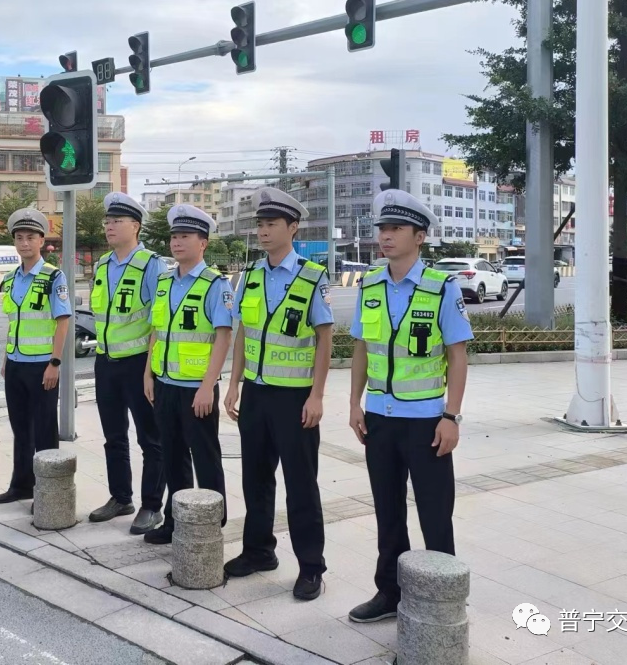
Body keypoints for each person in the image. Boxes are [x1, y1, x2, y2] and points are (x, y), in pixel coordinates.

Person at [347, 189, 474, 623]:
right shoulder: (369, 285)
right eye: (382, 229)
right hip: (380, 420)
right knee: (387, 513)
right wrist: (354, 404)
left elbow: (457, 355)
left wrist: (451, 417)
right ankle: (390, 593)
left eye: (395, 229)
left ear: (419, 236)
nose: (385, 237)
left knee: (436, 515)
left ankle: (441, 601)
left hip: (426, 423)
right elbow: (362, 348)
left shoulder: (441, 287)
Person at [223, 188, 334, 601]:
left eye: (272, 224)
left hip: (295, 397)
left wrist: (317, 396)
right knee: (255, 478)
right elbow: (243, 334)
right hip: (256, 394)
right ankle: (257, 551)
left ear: (293, 227)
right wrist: (234, 383)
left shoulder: (311, 276)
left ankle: (311, 568)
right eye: (260, 224)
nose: (264, 231)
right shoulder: (248, 276)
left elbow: (325, 339)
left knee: (301, 484)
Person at [141, 204, 233, 544]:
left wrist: (209, 386)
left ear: (203, 243)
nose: (177, 243)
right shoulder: (165, 282)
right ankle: (174, 520)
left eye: (185, 236)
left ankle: (210, 522)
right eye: (174, 236)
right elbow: (157, 331)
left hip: (197, 389)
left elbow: (223, 336)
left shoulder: (214, 285)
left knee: (206, 457)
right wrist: (148, 373)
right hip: (164, 385)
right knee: (173, 455)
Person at [89, 192, 167, 535]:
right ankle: (120, 497)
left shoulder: (152, 265)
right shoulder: (102, 265)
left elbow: (158, 321)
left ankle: (152, 506)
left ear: (135, 226)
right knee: (113, 436)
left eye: (116, 221)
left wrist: (150, 369)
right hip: (105, 362)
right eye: (107, 221)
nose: (109, 226)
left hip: (139, 364)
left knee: (151, 439)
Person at [0, 208, 72, 507]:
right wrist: (5, 359)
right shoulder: (11, 278)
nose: (24, 243)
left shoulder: (54, 277)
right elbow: (14, 321)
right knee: (20, 428)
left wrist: (55, 363)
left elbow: (63, 321)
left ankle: (47, 491)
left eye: (30, 238)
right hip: (15, 364)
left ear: (42, 241)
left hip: (42, 366)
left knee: (44, 430)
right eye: (19, 238)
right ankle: (21, 485)